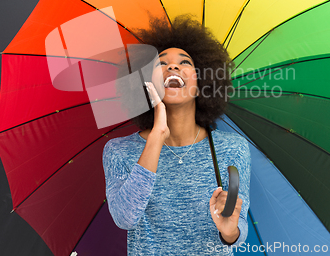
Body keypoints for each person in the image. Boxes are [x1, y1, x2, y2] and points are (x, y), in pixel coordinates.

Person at [102, 15, 251, 255]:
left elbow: (238, 227)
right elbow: (124, 219)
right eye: (161, 63)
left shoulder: (232, 149)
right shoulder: (119, 151)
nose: (173, 66)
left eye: (185, 62)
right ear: (144, 81)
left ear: (202, 81)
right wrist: (157, 136)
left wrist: (230, 230)